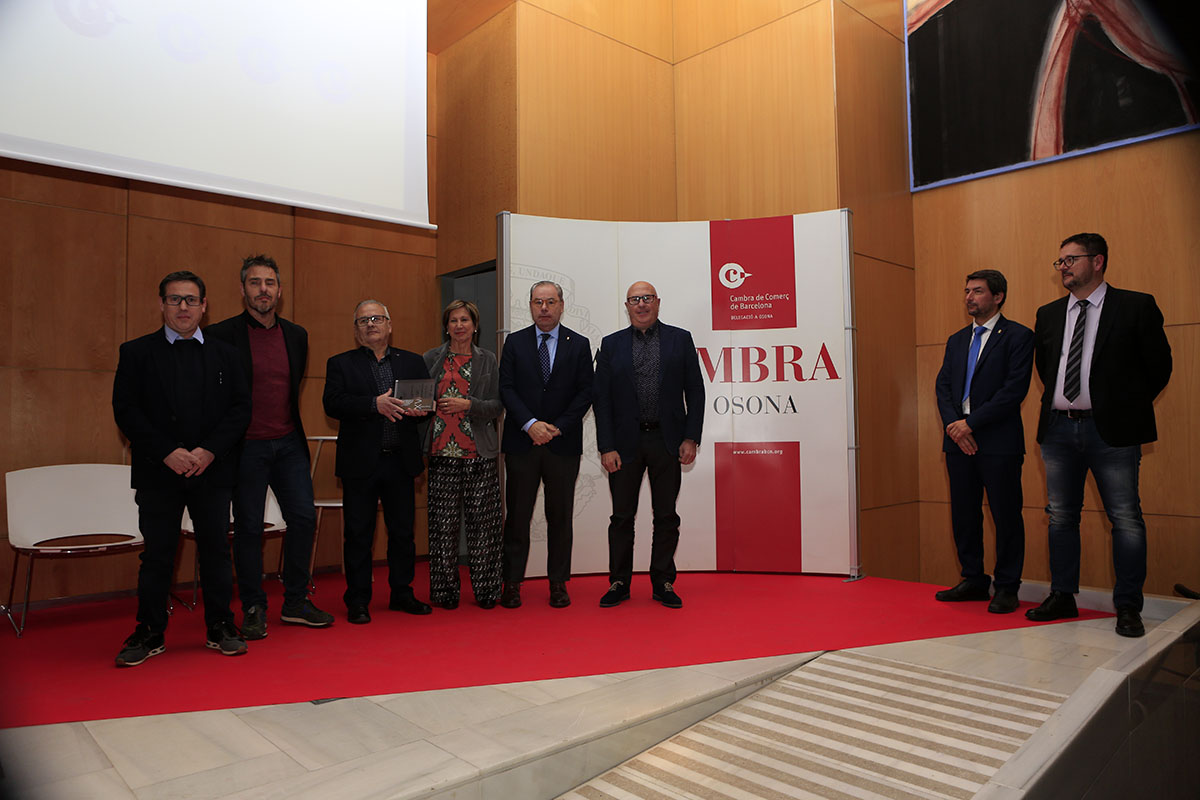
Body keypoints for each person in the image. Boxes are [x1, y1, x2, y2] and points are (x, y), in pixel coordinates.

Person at [1026, 233, 1172, 637]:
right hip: (1058, 428)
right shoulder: (1049, 313)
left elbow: (1159, 366)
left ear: (1098, 261)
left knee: (1125, 519)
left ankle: (1128, 606)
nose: (1063, 267)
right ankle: (1062, 596)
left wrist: (1123, 406)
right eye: (1060, 261)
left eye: (1071, 259)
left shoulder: (1135, 306)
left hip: (1113, 432)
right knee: (1060, 517)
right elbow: (1047, 368)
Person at [112, 270, 251, 666]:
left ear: (204, 306)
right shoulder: (136, 352)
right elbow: (126, 410)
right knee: (157, 555)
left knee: (215, 552)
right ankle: (149, 630)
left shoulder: (228, 354)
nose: (183, 307)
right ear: (162, 304)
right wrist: (167, 452)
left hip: (212, 470)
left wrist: (209, 451)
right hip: (159, 471)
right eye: (175, 299)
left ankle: (221, 625)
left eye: (191, 299)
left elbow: (241, 409)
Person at [207, 254, 333, 638]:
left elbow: (290, 388)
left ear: (279, 290)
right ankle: (254, 606)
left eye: (270, 283)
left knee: (304, 519)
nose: (263, 290)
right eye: (255, 282)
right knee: (249, 528)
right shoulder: (221, 335)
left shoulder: (297, 335)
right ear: (242, 289)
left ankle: (295, 601)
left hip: (289, 443)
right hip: (246, 447)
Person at [593, 281, 704, 609]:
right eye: (634, 299)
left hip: (667, 441)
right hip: (623, 444)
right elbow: (602, 400)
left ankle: (663, 582)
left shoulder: (680, 339)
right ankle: (618, 582)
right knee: (621, 517)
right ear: (626, 306)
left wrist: (691, 437)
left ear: (657, 302)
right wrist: (606, 446)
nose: (641, 304)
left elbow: (695, 391)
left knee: (666, 516)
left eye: (646, 298)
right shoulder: (611, 344)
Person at [323, 300, 432, 624]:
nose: (370, 324)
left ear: (389, 325)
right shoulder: (340, 363)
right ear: (356, 330)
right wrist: (374, 404)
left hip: (400, 461)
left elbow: (426, 403)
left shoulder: (412, 361)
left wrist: (420, 409)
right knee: (359, 534)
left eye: (377, 318)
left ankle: (402, 593)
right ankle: (357, 599)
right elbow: (333, 403)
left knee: (403, 533)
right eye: (363, 320)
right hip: (360, 463)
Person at [933, 269, 1034, 613]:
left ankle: (1007, 586)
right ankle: (973, 579)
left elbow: (1013, 390)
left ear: (998, 296)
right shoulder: (957, 339)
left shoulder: (1018, 336)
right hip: (957, 440)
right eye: (967, 291)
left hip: (998, 440)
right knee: (964, 513)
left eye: (977, 291)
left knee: (1006, 515)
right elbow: (943, 386)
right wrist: (955, 426)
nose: (969, 297)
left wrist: (970, 424)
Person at [498, 281, 594, 609]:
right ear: (530, 305)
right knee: (517, 517)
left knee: (560, 517)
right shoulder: (514, 342)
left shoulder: (578, 344)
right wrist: (530, 424)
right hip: (522, 442)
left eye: (550, 302)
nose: (544, 308)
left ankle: (558, 583)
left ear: (561, 305)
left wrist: (557, 427)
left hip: (561, 444)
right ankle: (512, 583)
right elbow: (506, 388)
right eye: (538, 302)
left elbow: (585, 392)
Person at [422, 300, 504, 609]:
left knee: (484, 527)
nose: (459, 326)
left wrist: (468, 405)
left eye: (465, 320)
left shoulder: (488, 359)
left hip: (479, 453)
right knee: (442, 529)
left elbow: (497, 406)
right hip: (441, 452)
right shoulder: (430, 358)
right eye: (453, 320)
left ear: (475, 326)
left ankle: (487, 591)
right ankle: (445, 592)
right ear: (446, 327)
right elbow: (416, 401)